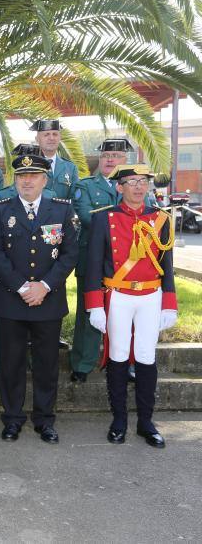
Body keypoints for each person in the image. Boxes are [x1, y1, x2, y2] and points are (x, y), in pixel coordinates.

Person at [0, 154, 78, 444]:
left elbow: (69, 255)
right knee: (11, 363)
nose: (27, 181)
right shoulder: (1, 209)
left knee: (46, 364)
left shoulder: (61, 210)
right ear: (15, 180)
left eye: (34, 175)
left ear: (44, 180)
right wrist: (24, 287)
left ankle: (44, 420)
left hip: (48, 301)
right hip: (12, 300)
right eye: (22, 176)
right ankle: (12, 419)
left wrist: (45, 286)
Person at [84, 164, 178, 448]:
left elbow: (167, 266)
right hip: (118, 295)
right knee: (119, 355)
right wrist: (94, 305)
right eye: (131, 181)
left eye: (142, 181)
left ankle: (146, 422)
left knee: (147, 356)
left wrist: (169, 304)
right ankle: (119, 420)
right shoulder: (104, 218)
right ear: (119, 187)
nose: (138, 187)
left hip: (150, 296)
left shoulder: (160, 219)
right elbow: (92, 264)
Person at [70, 138, 133, 383]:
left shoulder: (135, 184)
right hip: (92, 259)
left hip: (127, 264)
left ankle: (123, 362)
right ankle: (82, 364)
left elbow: (146, 215)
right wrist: (123, 223)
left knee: (124, 315)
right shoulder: (85, 186)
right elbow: (87, 218)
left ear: (124, 160)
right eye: (106, 154)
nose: (109, 159)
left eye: (116, 156)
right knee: (88, 314)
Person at [31, 120, 79, 200]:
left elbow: (75, 200)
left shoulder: (70, 168)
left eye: (55, 134)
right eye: (46, 135)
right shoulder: (29, 165)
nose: (51, 138)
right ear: (37, 139)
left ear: (60, 138)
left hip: (63, 212)